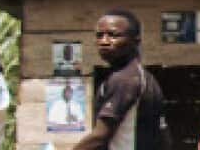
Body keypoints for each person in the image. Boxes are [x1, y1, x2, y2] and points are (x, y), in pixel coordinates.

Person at [72, 9, 172, 150]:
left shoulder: (123, 79)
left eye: (113, 35)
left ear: (135, 41)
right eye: (99, 35)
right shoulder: (146, 78)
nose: (104, 41)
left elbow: (100, 137)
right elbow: (165, 137)